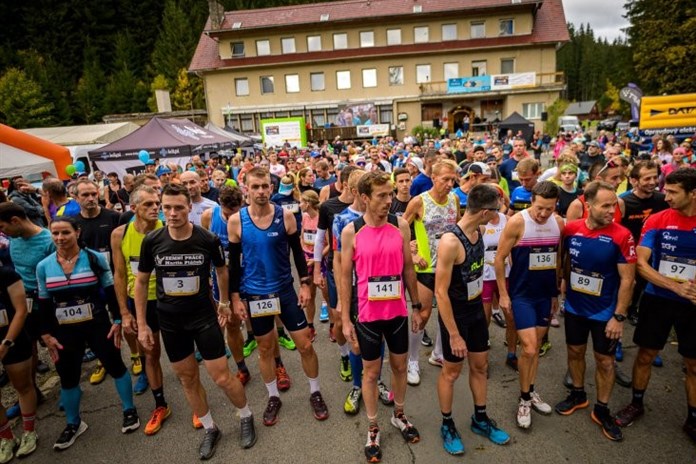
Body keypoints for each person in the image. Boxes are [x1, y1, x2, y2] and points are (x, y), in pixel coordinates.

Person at [135, 183, 256, 459]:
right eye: (167, 208)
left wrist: (224, 302)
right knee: (188, 379)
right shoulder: (152, 241)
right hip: (170, 321)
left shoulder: (207, 239)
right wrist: (142, 324)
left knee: (222, 377)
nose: (173, 213)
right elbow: (141, 282)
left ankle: (246, 415)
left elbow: (222, 271)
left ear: (190, 208)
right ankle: (210, 428)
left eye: (179, 207)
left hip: (203, 318)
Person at [228, 167, 329, 428]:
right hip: (255, 293)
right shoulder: (236, 221)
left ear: (271, 188)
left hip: (284, 291)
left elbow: (297, 254)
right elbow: (234, 265)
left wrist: (305, 286)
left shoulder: (285, 217)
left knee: (305, 345)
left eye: (265, 186)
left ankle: (315, 391)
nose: (261, 191)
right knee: (264, 348)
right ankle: (273, 396)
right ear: (246, 189)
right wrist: (236, 298)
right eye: (255, 187)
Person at [37, 217, 140, 450]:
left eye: (65, 233)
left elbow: (110, 290)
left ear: (77, 232)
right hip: (64, 330)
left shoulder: (94, 258)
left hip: (97, 323)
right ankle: (73, 423)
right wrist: (45, 333)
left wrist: (117, 319)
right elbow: (43, 302)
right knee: (68, 375)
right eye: (55, 233)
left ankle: (129, 409)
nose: (60, 238)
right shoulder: (44, 266)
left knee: (115, 365)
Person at [339, 171, 421, 462]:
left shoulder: (400, 225)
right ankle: (373, 426)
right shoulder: (351, 231)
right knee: (371, 373)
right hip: (368, 316)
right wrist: (345, 319)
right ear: (364, 198)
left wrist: (416, 305)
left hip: (397, 312)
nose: (389, 200)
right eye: (381, 196)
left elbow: (409, 269)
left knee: (399, 368)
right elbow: (345, 275)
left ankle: (399, 414)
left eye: (390, 194)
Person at [614, 168, 696, 443]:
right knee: (646, 354)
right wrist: (675, 286)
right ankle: (636, 403)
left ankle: (692, 417)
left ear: (692, 193)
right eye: (667, 190)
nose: (667, 196)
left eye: (673, 192)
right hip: (659, 299)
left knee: (693, 363)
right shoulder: (659, 219)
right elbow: (640, 262)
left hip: (692, 304)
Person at [555, 181, 636, 442]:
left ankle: (602, 409)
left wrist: (619, 316)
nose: (612, 210)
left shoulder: (622, 235)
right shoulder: (571, 229)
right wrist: (562, 288)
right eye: (606, 205)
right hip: (577, 307)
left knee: (605, 361)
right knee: (575, 352)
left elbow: (628, 280)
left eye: (614, 204)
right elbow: (564, 260)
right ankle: (578, 394)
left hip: (605, 313)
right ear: (587, 206)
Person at [436, 184, 511, 455]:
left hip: (476, 310)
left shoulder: (479, 231)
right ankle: (447, 423)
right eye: (495, 212)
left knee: (480, 366)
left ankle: (480, 418)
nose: (498, 217)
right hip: (455, 317)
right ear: (483, 212)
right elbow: (440, 293)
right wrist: (454, 334)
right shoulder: (451, 242)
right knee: (452, 372)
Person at [494, 181, 564, 429]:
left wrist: (556, 293)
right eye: (540, 208)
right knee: (531, 348)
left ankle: (530, 390)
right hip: (521, 295)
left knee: (535, 351)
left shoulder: (559, 224)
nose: (543, 214)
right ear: (531, 201)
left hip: (544, 296)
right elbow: (499, 259)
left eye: (549, 209)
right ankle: (524, 400)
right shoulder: (518, 222)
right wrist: (503, 295)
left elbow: (556, 259)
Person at [111, 185, 172, 435]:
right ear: (133, 208)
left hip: (168, 298)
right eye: (148, 204)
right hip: (140, 302)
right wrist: (124, 313)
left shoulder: (167, 229)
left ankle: (195, 403)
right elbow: (119, 274)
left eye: (157, 203)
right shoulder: (120, 234)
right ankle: (160, 405)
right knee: (151, 353)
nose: (155, 208)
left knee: (182, 356)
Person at [403, 160, 460, 384]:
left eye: (453, 179)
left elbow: (456, 229)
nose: (449, 183)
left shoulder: (454, 199)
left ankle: (438, 354)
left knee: (448, 312)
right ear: (433, 178)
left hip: (449, 266)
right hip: (425, 267)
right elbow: (401, 229)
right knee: (423, 314)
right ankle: (412, 361)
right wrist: (412, 251)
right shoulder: (419, 201)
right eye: (445, 179)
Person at [201, 185, 251, 385]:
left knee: (257, 320)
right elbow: (205, 247)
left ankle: (277, 362)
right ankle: (242, 367)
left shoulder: (247, 216)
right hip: (220, 277)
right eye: (227, 214)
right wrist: (208, 276)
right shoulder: (208, 216)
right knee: (231, 324)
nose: (231, 218)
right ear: (220, 205)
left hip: (246, 275)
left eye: (235, 213)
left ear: (241, 204)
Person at [0, 267, 38, 460]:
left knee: (22, 386)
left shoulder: (7, 275)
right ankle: (6, 438)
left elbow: (21, 310)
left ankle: (29, 432)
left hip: (13, 340)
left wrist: (6, 343)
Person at [300, 190, 321, 341]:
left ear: (308, 203)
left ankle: (333, 326)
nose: (299, 204)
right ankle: (310, 326)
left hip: (321, 261)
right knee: (311, 295)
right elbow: (302, 237)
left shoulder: (322, 218)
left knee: (326, 294)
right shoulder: (305, 217)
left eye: (301, 201)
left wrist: (316, 258)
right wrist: (305, 254)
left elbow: (328, 242)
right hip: (307, 259)